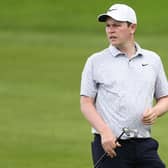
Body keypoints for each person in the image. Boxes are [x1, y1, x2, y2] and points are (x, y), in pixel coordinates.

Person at [80, 3, 168, 168]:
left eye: (117, 25)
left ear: (132, 27)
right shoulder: (95, 61)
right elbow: (86, 103)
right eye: (108, 26)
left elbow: (165, 98)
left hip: (144, 143)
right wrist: (105, 132)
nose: (110, 30)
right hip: (111, 145)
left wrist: (156, 111)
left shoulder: (152, 60)